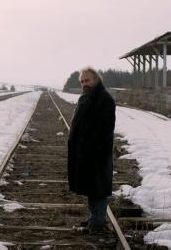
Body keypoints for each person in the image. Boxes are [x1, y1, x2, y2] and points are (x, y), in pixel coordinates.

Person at [67, 67, 116, 233]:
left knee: (98, 189)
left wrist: (91, 146)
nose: (84, 84)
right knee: (91, 187)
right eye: (82, 81)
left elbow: (105, 129)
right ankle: (94, 218)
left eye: (87, 80)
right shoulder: (89, 96)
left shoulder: (104, 99)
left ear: (96, 79)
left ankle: (98, 222)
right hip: (87, 152)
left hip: (97, 153)